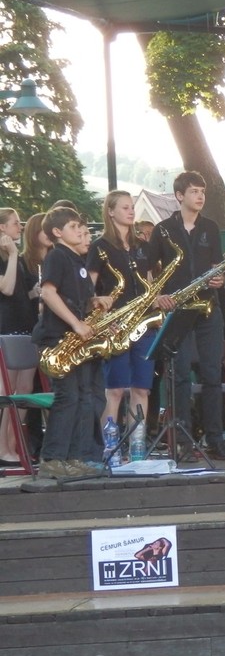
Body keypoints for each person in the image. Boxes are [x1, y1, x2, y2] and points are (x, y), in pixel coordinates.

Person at [152, 171, 225, 460]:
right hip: (178, 310)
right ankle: (183, 442)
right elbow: (148, 270)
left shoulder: (210, 227)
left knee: (212, 374)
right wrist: (156, 296)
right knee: (180, 376)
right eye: (194, 191)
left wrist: (219, 278)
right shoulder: (162, 230)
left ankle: (215, 440)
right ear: (179, 196)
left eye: (202, 191)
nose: (200, 196)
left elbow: (216, 266)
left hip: (208, 308)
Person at [33, 206, 111, 479]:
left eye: (81, 226)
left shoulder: (78, 261)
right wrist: (77, 324)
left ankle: (76, 456)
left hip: (77, 341)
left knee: (83, 397)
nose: (80, 231)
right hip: (58, 339)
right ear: (57, 232)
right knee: (68, 398)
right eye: (74, 227)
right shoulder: (57, 256)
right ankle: (52, 458)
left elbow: (77, 301)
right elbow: (48, 293)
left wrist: (95, 303)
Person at [87, 191, 158, 449]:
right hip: (115, 325)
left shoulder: (142, 246)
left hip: (144, 323)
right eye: (125, 207)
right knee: (115, 389)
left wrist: (156, 305)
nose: (131, 211)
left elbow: (149, 284)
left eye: (132, 207)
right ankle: (109, 448)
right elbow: (89, 290)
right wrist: (102, 314)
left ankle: (137, 447)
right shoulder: (100, 246)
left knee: (142, 388)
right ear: (111, 211)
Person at [0, 208, 42, 466]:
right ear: (2, 227)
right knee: (7, 390)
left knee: (25, 389)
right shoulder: (8, 257)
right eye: (15, 223)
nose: (20, 227)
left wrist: (35, 293)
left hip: (26, 326)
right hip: (7, 328)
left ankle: (13, 443)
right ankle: (2, 447)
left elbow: (21, 292)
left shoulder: (18, 259)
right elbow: (6, 288)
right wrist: (14, 255)